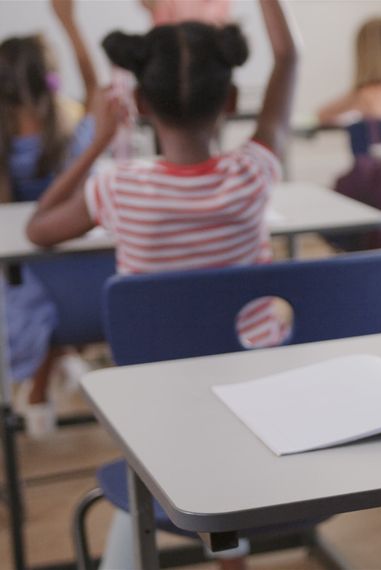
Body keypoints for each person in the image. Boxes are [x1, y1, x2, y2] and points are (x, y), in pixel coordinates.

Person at [25, 0, 297, 567]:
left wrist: (97, 141)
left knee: (169, 455)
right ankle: (232, 552)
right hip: (259, 402)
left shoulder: (118, 190)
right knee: (220, 448)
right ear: (230, 101)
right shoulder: (255, 174)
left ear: (141, 105)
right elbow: (287, 58)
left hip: (157, 412)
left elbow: (38, 228)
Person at [1, 0, 98, 436]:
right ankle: (54, 368)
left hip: (28, 272)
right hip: (82, 275)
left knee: (25, 293)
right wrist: (69, 21)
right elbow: (96, 90)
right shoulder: (73, 128)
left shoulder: (6, 140)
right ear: (49, 77)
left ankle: (41, 382)